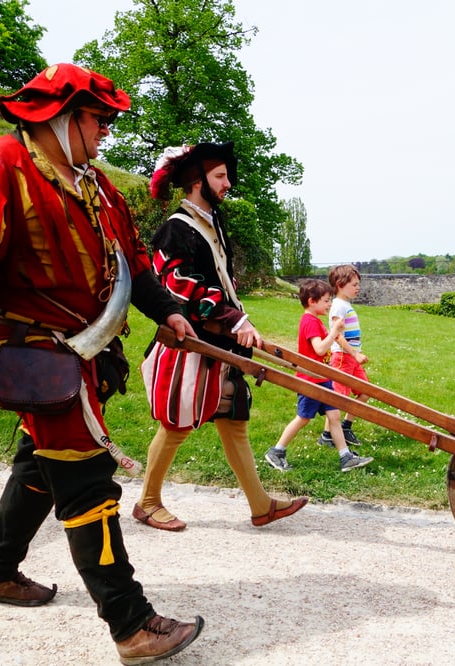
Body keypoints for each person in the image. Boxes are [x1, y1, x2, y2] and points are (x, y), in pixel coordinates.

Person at [0, 65, 203, 663]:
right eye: (99, 120)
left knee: (42, 463)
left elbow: (134, 264)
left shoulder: (95, 186)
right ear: (62, 118)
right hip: (31, 349)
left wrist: (169, 312)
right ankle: (132, 623)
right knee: (85, 472)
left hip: (84, 349)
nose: (104, 134)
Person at [133, 141, 309, 531]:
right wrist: (234, 319)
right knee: (177, 425)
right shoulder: (174, 230)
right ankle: (147, 502)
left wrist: (238, 322)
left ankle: (261, 505)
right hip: (189, 344)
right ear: (197, 182)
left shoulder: (212, 223)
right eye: (220, 176)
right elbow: (180, 286)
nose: (228, 183)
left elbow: (220, 283)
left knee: (234, 421)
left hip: (219, 343)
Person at [264, 279, 374, 472]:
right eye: (325, 301)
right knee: (303, 418)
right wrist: (333, 332)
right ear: (312, 301)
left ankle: (345, 457)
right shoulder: (309, 322)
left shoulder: (314, 320)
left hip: (322, 380)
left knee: (334, 416)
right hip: (310, 381)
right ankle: (277, 451)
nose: (329, 304)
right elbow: (320, 349)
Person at [318, 264, 371, 448]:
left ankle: (346, 427)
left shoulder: (345, 305)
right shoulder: (338, 306)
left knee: (365, 392)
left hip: (351, 358)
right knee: (338, 398)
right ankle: (326, 435)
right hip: (342, 357)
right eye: (354, 284)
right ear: (340, 285)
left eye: (358, 284)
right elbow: (337, 334)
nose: (358, 288)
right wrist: (354, 353)